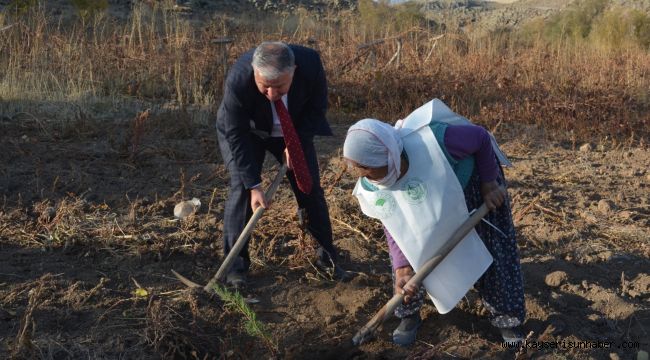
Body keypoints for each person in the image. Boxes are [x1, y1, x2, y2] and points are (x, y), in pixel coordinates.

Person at [342, 100, 526, 346]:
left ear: (388, 157)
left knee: (494, 251)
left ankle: (508, 322)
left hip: (472, 187)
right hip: (424, 201)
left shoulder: (437, 141)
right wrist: (402, 268)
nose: (366, 179)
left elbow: (481, 138)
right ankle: (408, 316)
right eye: (360, 172)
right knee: (410, 258)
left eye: (368, 171)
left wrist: (489, 184)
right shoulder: (373, 183)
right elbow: (395, 226)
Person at [216, 41, 350, 288]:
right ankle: (235, 268)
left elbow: (316, 109)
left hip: (294, 130)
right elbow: (235, 134)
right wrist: (254, 185)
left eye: (279, 87)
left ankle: (326, 259)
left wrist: (296, 143)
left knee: (309, 189)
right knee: (242, 191)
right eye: (264, 86)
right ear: (255, 73)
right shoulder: (238, 79)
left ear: (294, 71)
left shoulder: (310, 64)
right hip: (249, 133)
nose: (271, 94)